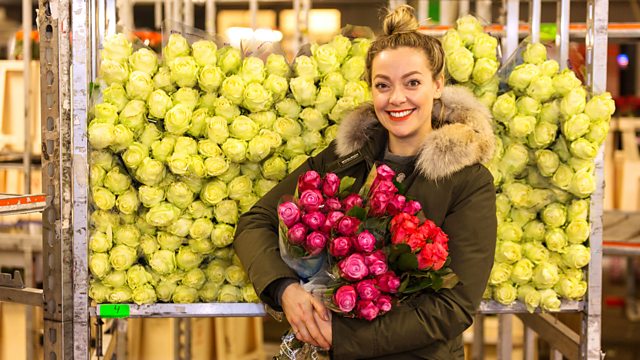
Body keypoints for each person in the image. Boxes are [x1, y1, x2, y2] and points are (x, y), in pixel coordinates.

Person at [234, 5, 497, 359]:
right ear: (370, 89)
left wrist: (341, 336)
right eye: (383, 85)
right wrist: (284, 289)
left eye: (413, 83)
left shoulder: (467, 180)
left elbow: (454, 306)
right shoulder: (343, 160)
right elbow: (256, 222)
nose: (397, 98)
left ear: (438, 85)